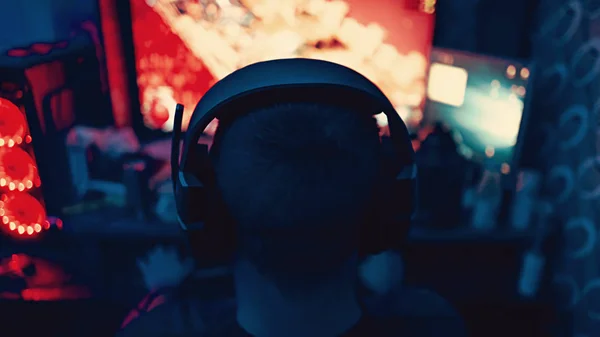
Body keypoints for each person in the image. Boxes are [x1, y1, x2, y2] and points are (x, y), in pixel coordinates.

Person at [117, 60, 466, 337]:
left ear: (201, 209)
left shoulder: (151, 328)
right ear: (389, 207)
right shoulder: (437, 323)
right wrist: (386, 294)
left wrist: (161, 293)